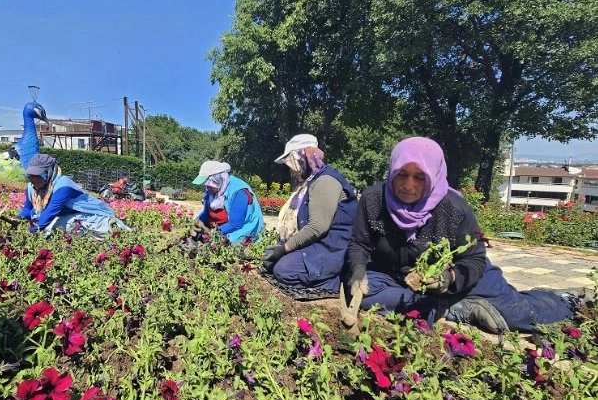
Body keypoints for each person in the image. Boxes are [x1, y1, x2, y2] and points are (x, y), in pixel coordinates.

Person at [342, 136, 575, 332]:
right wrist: (358, 272)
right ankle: (453, 309)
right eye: (402, 174)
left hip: (459, 276)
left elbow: (474, 259)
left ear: (432, 175)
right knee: (366, 295)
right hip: (394, 275)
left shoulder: (453, 208)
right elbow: (359, 244)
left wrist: (448, 279)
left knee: (519, 317)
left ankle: (564, 300)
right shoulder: (374, 200)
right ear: (392, 170)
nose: (408, 185)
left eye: (419, 177)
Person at [261, 134, 358, 300]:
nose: (291, 170)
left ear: (304, 156)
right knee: (271, 263)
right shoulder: (311, 181)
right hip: (318, 246)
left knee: (283, 270)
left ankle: (335, 283)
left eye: (292, 164)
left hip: (332, 249)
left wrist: (285, 249)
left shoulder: (325, 181)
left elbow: (317, 226)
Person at [2, 154, 128, 238]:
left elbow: (51, 211)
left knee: (59, 225)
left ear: (48, 172)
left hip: (89, 214)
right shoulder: (31, 187)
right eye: (31, 175)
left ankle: (110, 225)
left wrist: (31, 230)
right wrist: (16, 219)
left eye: (37, 175)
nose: (33, 179)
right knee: (51, 225)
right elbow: (28, 209)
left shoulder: (62, 185)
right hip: (63, 215)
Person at [193, 160, 264, 243]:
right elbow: (206, 214)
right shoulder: (212, 192)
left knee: (225, 244)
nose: (207, 188)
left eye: (209, 185)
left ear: (218, 181)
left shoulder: (239, 192)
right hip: (221, 228)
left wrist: (214, 232)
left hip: (242, 230)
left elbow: (235, 224)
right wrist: (196, 222)